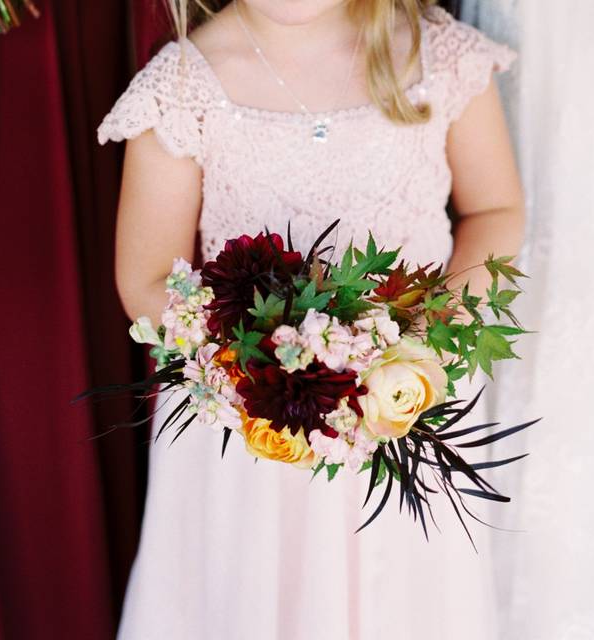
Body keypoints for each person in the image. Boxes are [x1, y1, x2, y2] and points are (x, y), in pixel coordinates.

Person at [98, 1, 524, 637]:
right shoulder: (183, 86)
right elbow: (147, 278)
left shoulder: (438, 55)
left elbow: (495, 212)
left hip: (404, 408)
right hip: (256, 424)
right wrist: (265, 368)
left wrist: (416, 339)